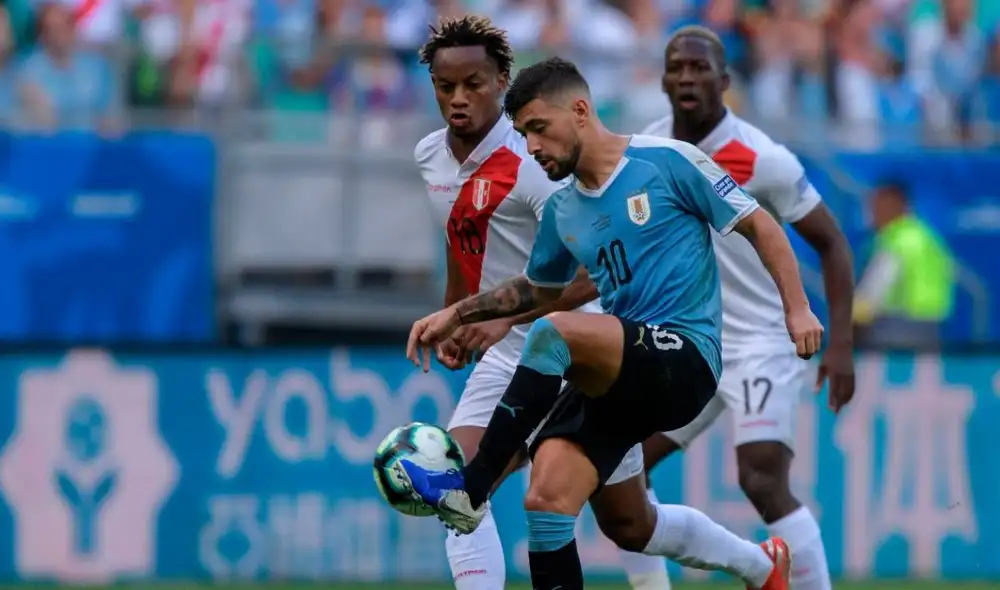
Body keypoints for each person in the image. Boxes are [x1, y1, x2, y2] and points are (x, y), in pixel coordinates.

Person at [397, 56, 824, 590]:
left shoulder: (666, 161)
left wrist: (797, 307)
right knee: (554, 503)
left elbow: (759, 225)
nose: (531, 147)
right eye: (524, 135)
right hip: (619, 374)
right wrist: (457, 312)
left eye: (538, 129)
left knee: (556, 333)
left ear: (579, 111)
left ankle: (474, 486)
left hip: (685, 357)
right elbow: (537, 289)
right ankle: (763, 568)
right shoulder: (564, 211)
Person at [412, 17, 650, 590]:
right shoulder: (429, 155)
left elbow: (596, 271)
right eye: (447, 87)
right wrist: (455, 313)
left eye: (474, 83)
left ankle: (759, 563)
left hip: (580, 350)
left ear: (501, 80)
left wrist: (501, 323)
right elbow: (460, 236)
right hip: (502, 358)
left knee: (632, 525)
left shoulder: (534, 161)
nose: (459, 98)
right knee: (460, 492)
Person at [620, 25, 858, 590]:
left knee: (760, 479)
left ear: (725, 81)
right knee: (620, 466)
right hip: (690, 342)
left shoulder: (760, 158)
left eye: (699, 68)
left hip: (761, 342)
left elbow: (833, 244)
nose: (686, 76)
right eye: (676, 66)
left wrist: (842, 345)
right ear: (661, 78)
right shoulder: (646, 149)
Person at [853, 181, 954, 349]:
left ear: (895, 206)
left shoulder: (896, 242)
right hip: (932, 325)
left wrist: (851, 319)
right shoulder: (925, 236)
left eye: (876, 207)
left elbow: (874, 291)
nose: (871, 215)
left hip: (898, 326)